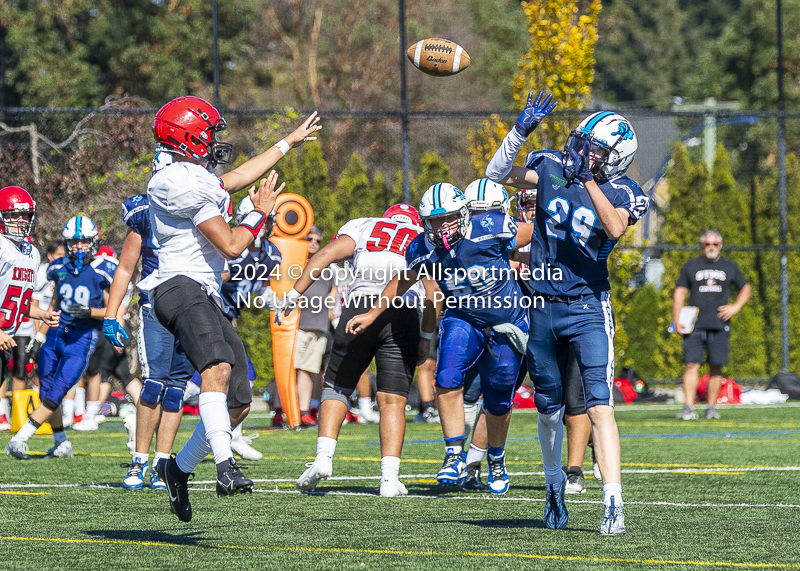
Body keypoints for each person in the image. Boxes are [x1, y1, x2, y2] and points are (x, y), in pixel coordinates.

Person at [135, 95, 318, 522]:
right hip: (176, 286)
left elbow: (234, 178)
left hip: (202, 292)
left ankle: (177, 472)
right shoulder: (175, 180)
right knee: (215, 367)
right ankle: (224, 467)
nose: (215, 140)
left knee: (237, 399)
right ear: (186, 136)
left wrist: (288, 142)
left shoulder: (191, 173)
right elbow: (234, 245)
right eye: (208, 133)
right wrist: (258, 213)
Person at [486, 93, 649, 534]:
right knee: (547, 409)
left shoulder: (626, 190)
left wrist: (588, 182)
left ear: (615, 159)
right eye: (583, 142)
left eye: (595, 148)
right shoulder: (552, 167)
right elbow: (495, 174)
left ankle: (613, 503)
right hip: (541, 305)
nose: (583, 152)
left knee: (600, 404)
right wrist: (520, 129)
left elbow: (615, 226)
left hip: (587, 307)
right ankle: (554, 486)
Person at [347, 184, 534, 496]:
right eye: (434, 221)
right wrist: (371, 315)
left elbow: (535, 235)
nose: (442, 226)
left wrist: (526, 256)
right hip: (463, 316)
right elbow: (401, 282)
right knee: (446, 376)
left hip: (506, 319)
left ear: (463, 214)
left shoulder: (489, 226)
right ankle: (453, 454)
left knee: (500, 392)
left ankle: (497, 459)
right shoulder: (422, 247)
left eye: (447, 218)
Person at [294, 204, 436, 497]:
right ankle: (389, 479)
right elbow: (433, 294)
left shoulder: (364, 225)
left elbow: (323, 256)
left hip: (360, 304)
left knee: (336, 386)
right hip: (405, 311)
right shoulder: (423, 235)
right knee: (393, 400)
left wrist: (292, 293)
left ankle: (323, 458)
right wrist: (425, 337)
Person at [5, 214, 108, 460]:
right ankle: (61, 442)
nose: (79, 246)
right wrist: (40, 335)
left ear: (93, 241)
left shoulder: (103, 268)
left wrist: (89, 312)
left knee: (59, 388)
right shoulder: (57, 267)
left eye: (84, 241)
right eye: (74, 241)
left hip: (82, 336)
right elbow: (54, 303)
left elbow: (115, 309)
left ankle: (20, 438)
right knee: (45, 391)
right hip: (55, 334)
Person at [673, 230, 751, 420]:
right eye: (708, 244)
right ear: (702, 246)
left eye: (715, 244)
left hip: (719, 323)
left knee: (716, 366)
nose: (711, 248)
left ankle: (711, 407)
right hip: (694, 324)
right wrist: (677, 319)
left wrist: (736, 306)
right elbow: (680, 292)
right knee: (692, 364)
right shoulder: (691, 266)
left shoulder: (729, 267)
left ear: (721, 245)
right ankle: (689, 407)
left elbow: (746, 288)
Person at [0, 188, 59, 436]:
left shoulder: (31, 253)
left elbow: (19, 301)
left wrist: (41, 314)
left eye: (25, 215)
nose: (20, 220)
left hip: (7, 338)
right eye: (13, 215)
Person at [291, 226, 337, 428]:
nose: (314, 243)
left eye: (318, 241)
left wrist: (333, 322)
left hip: (319, 327)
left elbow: (332, 297)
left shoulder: (327, 267)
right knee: (290, 370)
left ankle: (303, 412)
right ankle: (286, 409)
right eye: (309, 239)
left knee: (307, 371)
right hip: (295, 325)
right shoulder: (292, 263)